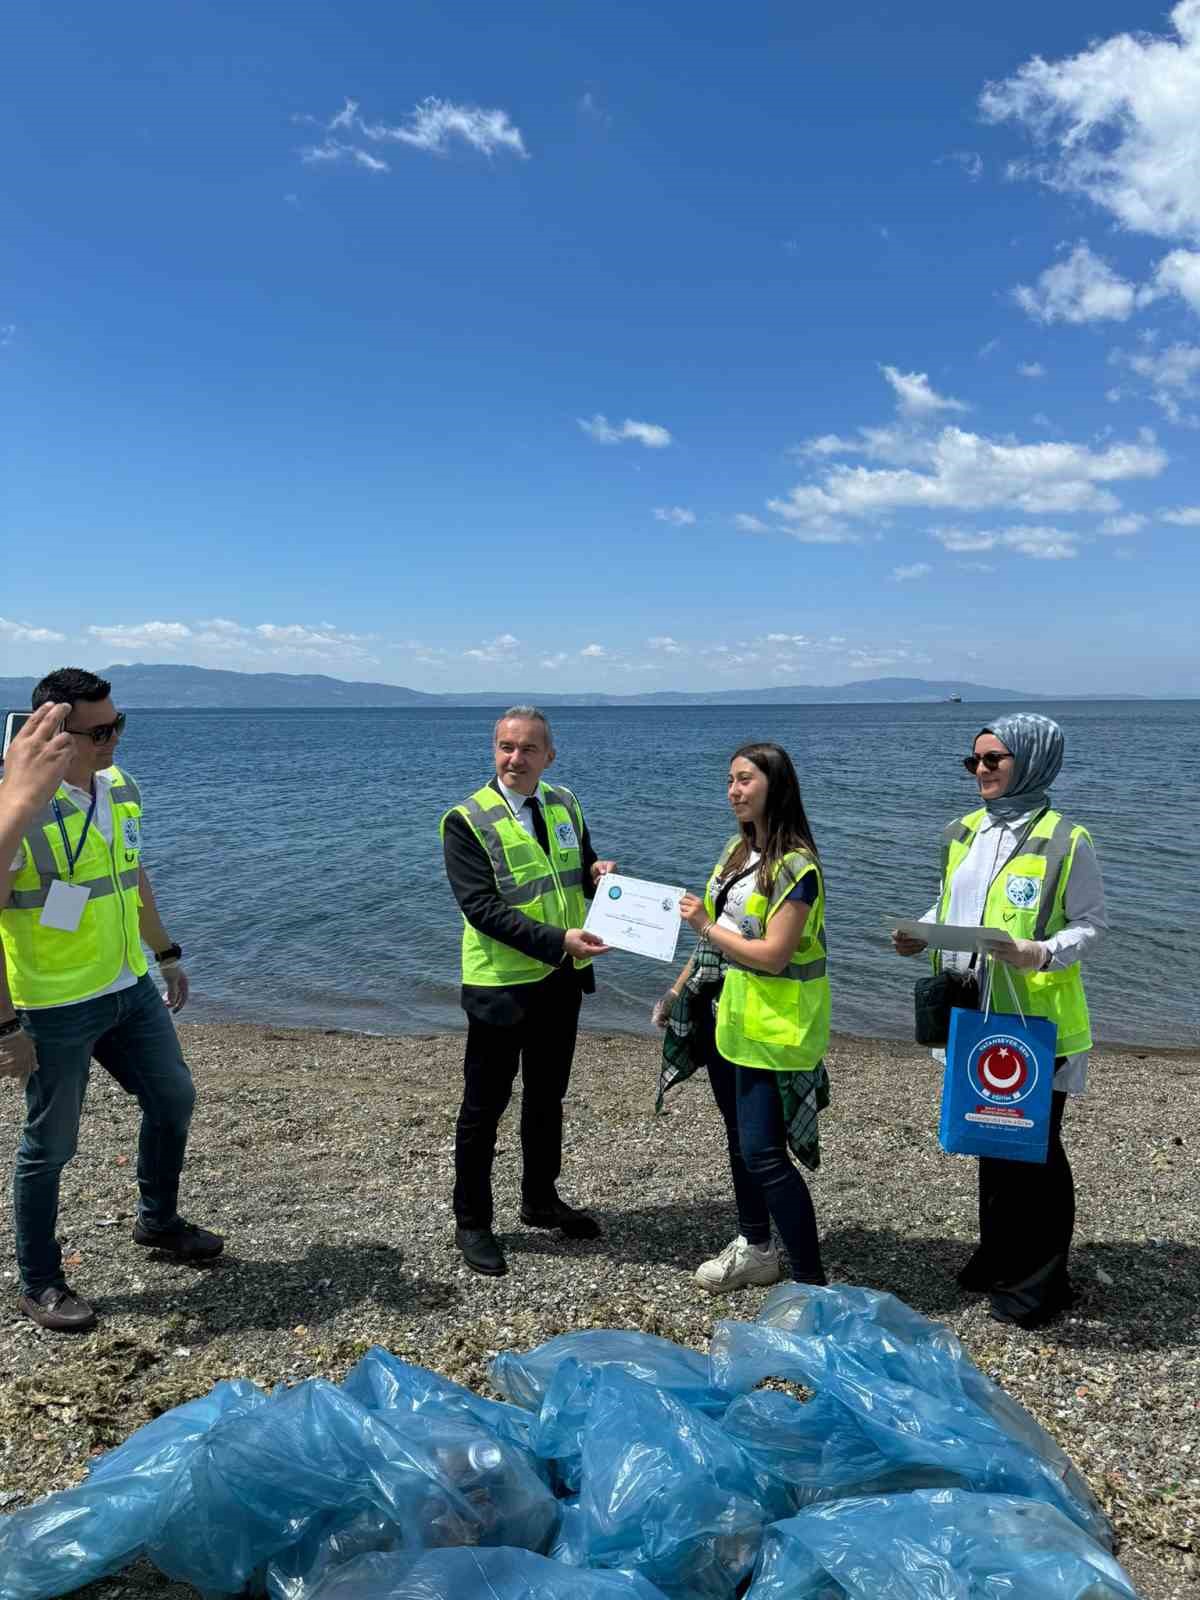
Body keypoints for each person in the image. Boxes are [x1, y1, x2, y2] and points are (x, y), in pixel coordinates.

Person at [0, 668, 223, 1334]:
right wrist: (7, 1025)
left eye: (118, 724)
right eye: (100, 731)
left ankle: (157, 1223)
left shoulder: (119, 787)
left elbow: (130, 872)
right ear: (54, 734)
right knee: (51, 1145)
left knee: (173, 1097)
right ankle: (39, 1281)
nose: (113, 739)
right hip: (54, 1003)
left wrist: (166, 951)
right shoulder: (15, 807)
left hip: (127, 986)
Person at [891, 712, 1106, 1330]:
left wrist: (1039, 951)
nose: (980, 771)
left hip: (1037, 1020)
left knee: (1034, 1148)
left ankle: (1041, 1282)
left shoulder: (1069, 840)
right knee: (990, 1134)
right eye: (973, 761)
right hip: (974, 1012)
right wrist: (920, 930)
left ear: (1033, 762)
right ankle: (998, 1255)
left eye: (994, 761)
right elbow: (953, 901)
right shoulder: (963, 831)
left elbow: (1091, 925)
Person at [441, 707, 614, 1277]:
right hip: (500, 988)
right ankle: (473, 1222)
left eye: (527, 749)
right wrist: (560, 938)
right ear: (494, 749)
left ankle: (540, 1200)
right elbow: (482, 909)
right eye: (505, 747)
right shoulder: (466, 820)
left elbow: (577, 867)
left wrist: (598, 875)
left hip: (560, 982)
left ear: (549, 755)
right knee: (483, 1109)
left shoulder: (564, 802)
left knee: (547, 1098)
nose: (515, 759)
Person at [656, 742, 830, 1292]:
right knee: (739, 1141)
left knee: (765, 1155)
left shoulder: (795, 866)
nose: (734, 790)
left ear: (776, 786)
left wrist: (704, 925)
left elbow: (774, 953)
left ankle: (810, 1283)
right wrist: (677, 991)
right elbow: (717, 944)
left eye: (745, 780)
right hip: (725, 1019)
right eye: (730, 780)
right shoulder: (737, 851)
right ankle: (755, 1247)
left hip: (773, 1030)